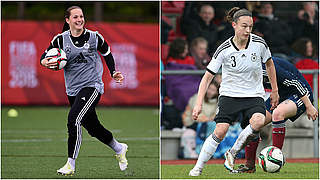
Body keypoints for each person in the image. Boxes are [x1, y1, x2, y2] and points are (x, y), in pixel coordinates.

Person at [188, 7, 279, 176]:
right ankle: (198, 167)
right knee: (220, 130)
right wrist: (198, 104)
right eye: (244, 26)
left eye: (250, 26)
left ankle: (233, 152)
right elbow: (207, 77)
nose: (248, 30)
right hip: (230, 95)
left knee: (259, 121)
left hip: (254, 95)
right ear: (234, 25)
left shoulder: (259, 44)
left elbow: (270, 64)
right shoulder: (224, 49)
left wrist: (275, 90)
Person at [40, 6, 127, 176]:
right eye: (75, 17)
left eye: (81, 16)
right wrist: (47, 63)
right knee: (93, 128)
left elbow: (107, 53)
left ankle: (70, 164)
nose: (79, 20)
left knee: (73, 119)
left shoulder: (94, 37)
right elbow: (44, 58)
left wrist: (113, 72)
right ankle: (119, 147)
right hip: (72, 90)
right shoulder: (60, 40)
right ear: (68, 20)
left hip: (92, 86)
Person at [235, 57, 318, 173]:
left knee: (278, 113)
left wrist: (309, 106)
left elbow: (295, 83)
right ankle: (249, 166)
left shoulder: (267, 68)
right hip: (280, 95)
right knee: (255, 120)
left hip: (300, 93)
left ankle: (275, 159)